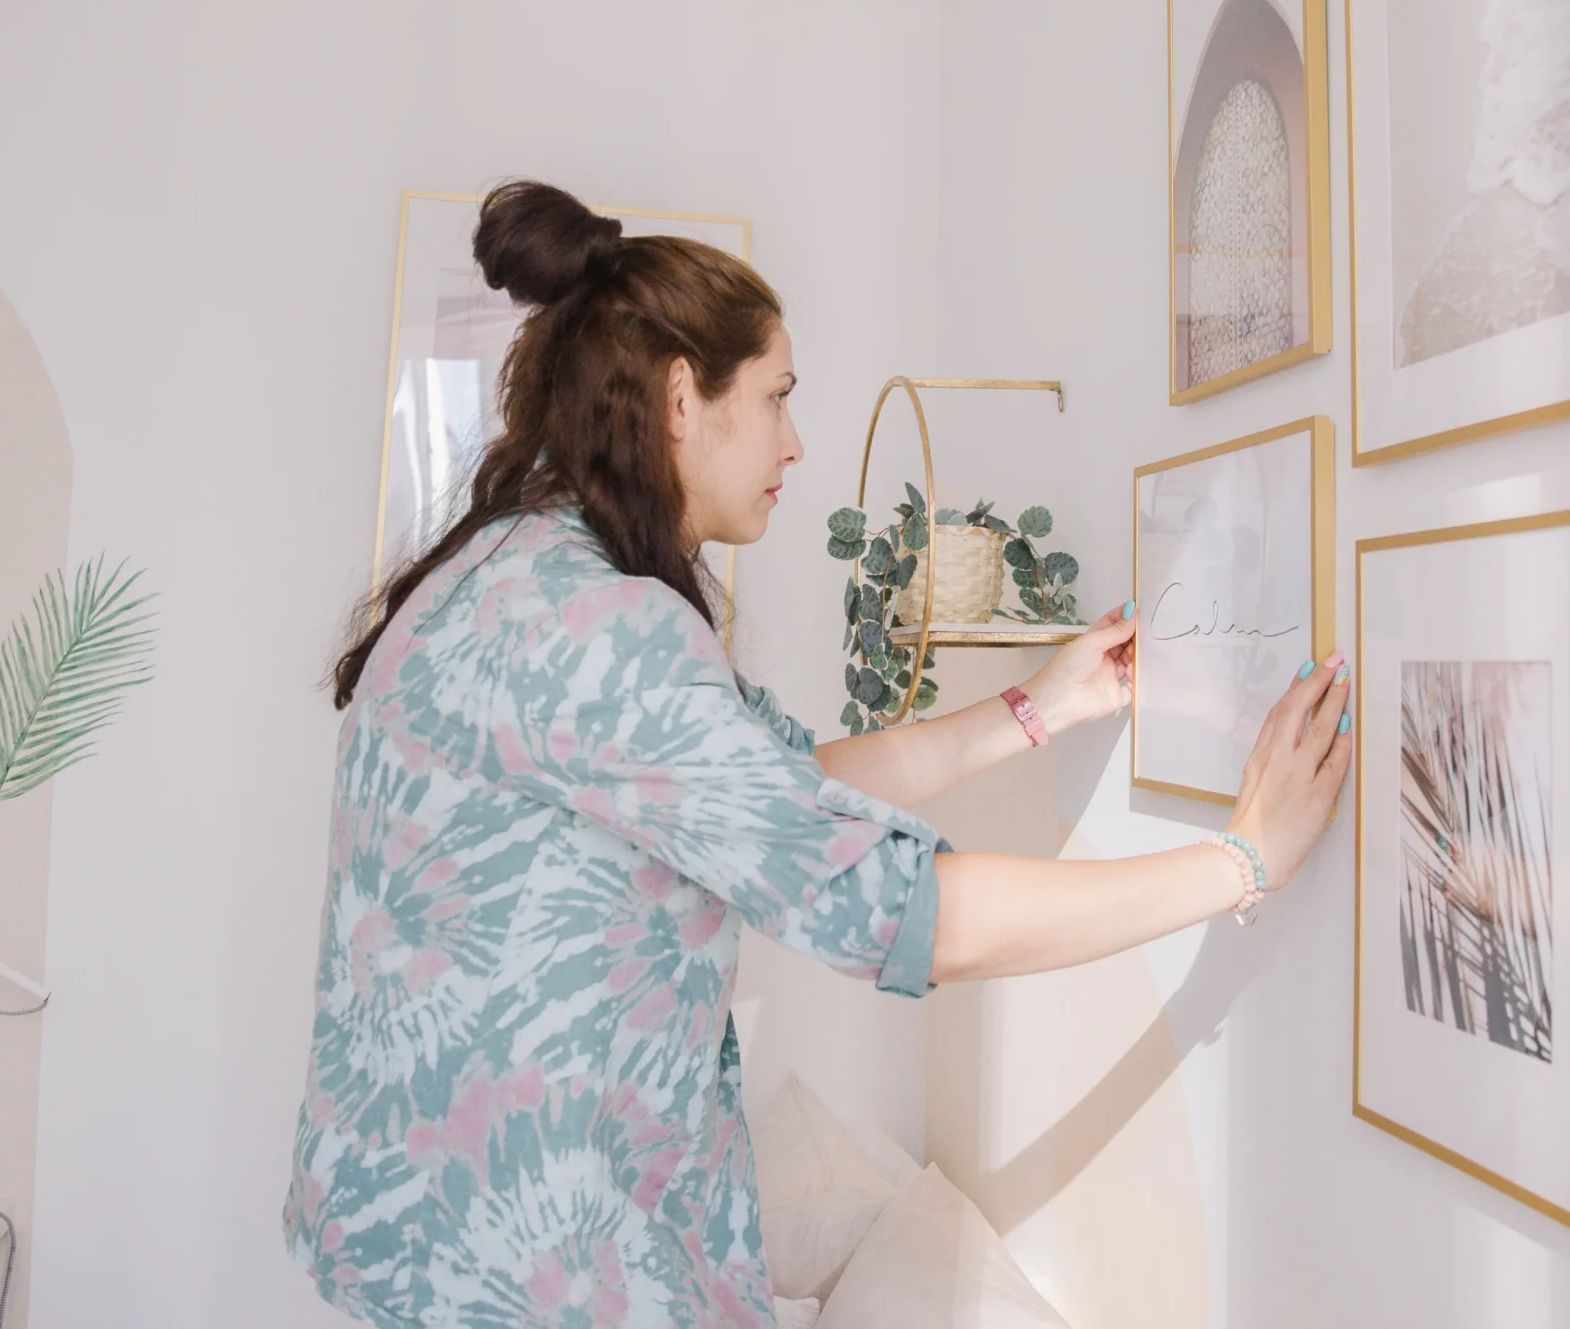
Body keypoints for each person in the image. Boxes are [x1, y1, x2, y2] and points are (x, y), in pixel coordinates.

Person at [284, 181, 1352, 1328]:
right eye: (779, 396)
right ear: (682, 396)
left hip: (405, 1238)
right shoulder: (606, 631)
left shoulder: (500, 574)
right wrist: (1239, 862)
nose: (795, 441)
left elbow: (776, 785)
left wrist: (1035, 708)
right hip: (529, 1274)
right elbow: (907, 911)